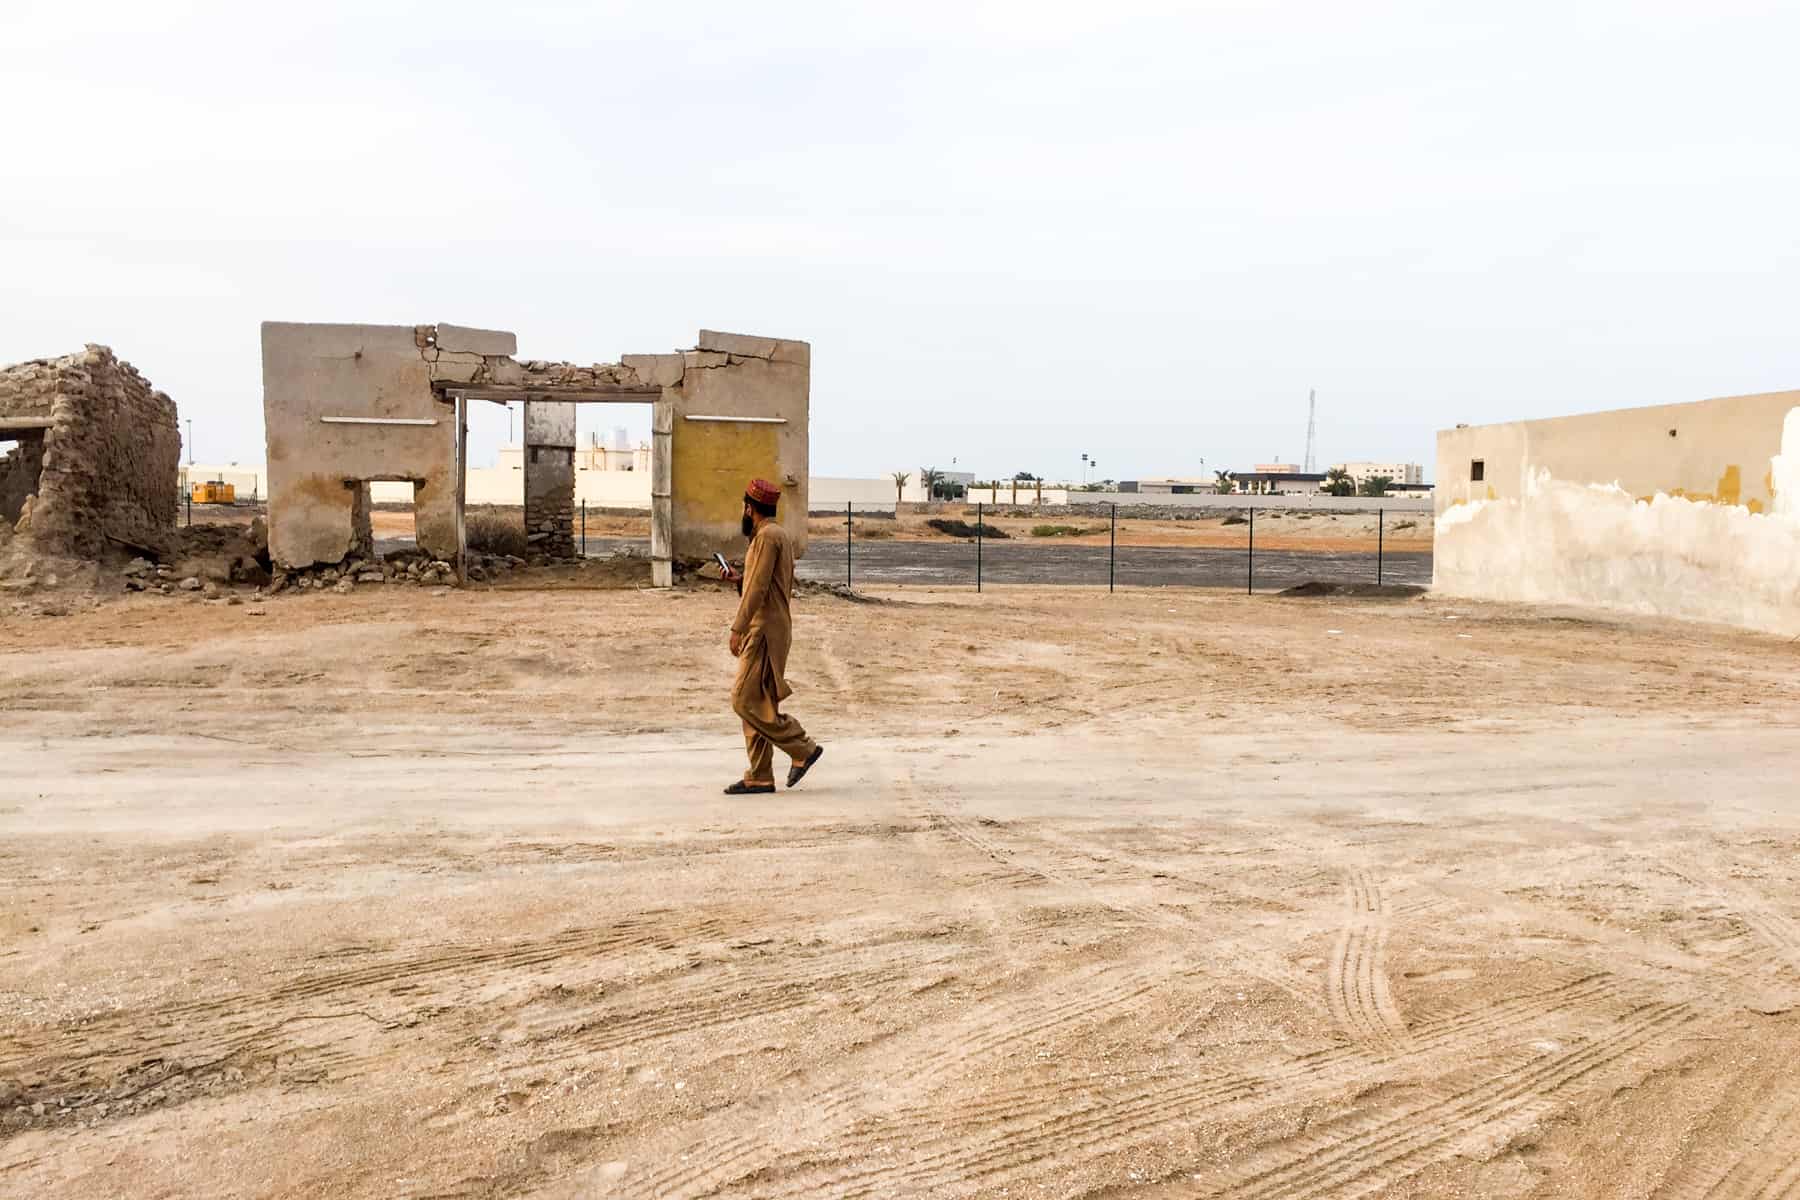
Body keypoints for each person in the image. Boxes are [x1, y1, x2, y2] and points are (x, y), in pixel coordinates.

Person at [721, 478, 824, 795]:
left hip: (764, 629)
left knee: (742, 699)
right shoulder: (774, 536)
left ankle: (802, 747)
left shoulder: (766, 537)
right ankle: (760, 774)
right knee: (758, 699)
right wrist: (739, 578)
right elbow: (759, 583)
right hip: (773, 625)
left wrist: (738, 627)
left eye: (744, 508)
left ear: (749, 508)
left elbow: (759, 589)